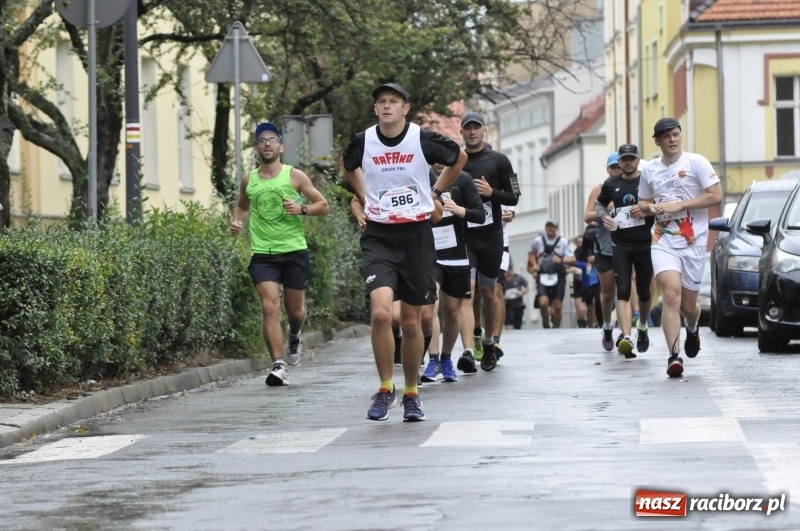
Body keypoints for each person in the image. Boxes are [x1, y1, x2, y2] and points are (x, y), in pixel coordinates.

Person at [342, 82, 467, 421]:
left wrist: (436, 191)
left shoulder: (421, 138)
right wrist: (365, 195)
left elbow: (459, 157)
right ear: (375, 109)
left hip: (416, 236)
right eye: (381, 102)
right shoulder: (363, 140)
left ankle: (411, 393)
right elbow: (347, 164)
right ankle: (385, 388)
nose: (386, 107)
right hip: (380, 235)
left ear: (405, 108)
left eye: (393, 102)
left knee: (412, 321)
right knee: (382, 313)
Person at [230, 122, 330, 387]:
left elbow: (323, 205)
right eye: (262, 140)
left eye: (272, 139)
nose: (267, 143)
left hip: (294, 250)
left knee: (295, 310)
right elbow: (241, 206)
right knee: (269, 305)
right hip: (263, 253)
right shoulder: (248, 180)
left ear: (281, 147)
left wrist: (302, 210)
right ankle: (277, 364)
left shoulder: (294, 176)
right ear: (256, 148)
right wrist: (237, 222)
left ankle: (295, 333)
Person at [637, 118, 721, 377]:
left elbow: (715, 196)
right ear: (658, 142)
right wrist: (650, 208)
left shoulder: (696, 162)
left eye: (675, 134)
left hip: (692, 241)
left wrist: (680, 206)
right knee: (670, 295)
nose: (672, 140)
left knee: (687, 306)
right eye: (666, 136)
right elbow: (642, 202)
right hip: (663, 240)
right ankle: (674, 356)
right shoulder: (650, 170)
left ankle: (693, 328)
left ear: (680, 136)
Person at [457, 113, 519, 372]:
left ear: (484, 131)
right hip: (465, 236)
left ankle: (490, 343)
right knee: (467, 292)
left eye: (476, 128)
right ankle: (469, 349)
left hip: (492, 235)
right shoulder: (456, 161)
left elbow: (514, 196)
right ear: (461, 132)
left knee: (489, 292)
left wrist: (492, 193)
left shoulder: (499, 160)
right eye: (467, 129)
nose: (472, 133)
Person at [420, 162, 485, 382]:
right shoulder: (421, 178)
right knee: (429, 308)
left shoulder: (463, 179)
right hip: (430, 255)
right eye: (434, 158)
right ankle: (433, 360)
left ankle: (446, 358)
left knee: (452, 311)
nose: (439, 163)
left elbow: (480, 214)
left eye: (443, 158)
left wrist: (460, 210)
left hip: (458, 254)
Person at [595, 144, 655, 359]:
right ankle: (627, 336)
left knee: (645, 292)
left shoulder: (647, 181)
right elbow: (599, 205)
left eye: (632, 158)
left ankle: (642, 325)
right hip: (620, 245)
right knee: (622, 290)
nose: (628, 163)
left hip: (645, 244)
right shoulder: (611, 183)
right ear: (618, 162)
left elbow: (659, 205)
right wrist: (604, 217)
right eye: (624, 159)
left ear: (638, 159)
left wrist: (646, 209)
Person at [585, 154, 622, 349]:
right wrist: (604, 210)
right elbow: (587, 216)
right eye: (613, 167)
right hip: (605, 249)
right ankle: (607, 327)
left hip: (626, 247)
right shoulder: (599, 190)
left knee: (625, 290)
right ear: (607, 169)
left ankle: (625, 332)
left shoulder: (632, 187)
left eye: (619, 166)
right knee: (608, 293)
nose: (617, 170)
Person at [527, 219, 575, 328]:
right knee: (543, 302)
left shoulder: (563, 241)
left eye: (552, 227)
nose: (550, 229)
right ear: (545, 228)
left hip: (558, 274)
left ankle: (556, 327)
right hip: (543, 274)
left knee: (557, 306)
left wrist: (561, 260)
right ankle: (546, 322)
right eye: (548, 226)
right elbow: (530, 253)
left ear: (556, 228)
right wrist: (534, 264)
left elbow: (572, 259)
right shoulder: (538, 240)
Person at [501, 264, 529, 330]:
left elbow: (527, 287)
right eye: (507, 270)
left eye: (510, 269)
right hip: (507, 306)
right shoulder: (502, 280)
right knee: (508, 325)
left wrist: (522, 292)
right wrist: (503, 296)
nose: (509, 271)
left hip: (518, 305)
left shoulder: (518, 278)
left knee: (517, 326)